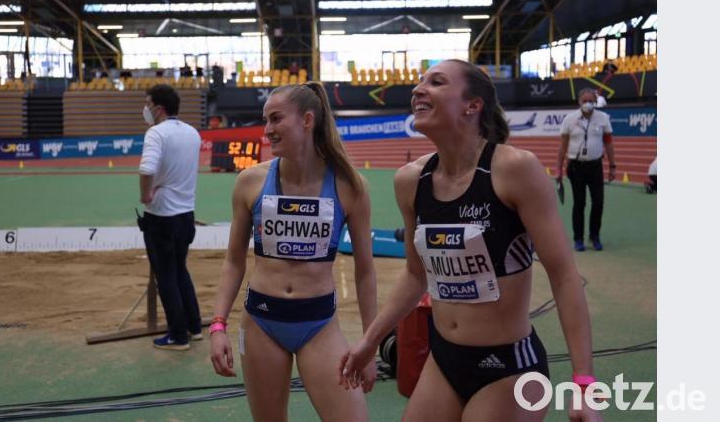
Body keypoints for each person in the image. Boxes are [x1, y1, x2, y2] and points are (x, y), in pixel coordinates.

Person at [339, 59, 601, 421]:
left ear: (472, 105)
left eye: (437, 82)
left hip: (509, 367)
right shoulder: (410, 181)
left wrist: (584, 384)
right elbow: (417, 276)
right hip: (444, 360)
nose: (418, 88)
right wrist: (371, 340)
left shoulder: (514, 170)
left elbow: (565, 277)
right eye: (420, 81)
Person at [209, 82, 378, 421]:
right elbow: (233, 262)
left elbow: (365, 271)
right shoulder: (250, 182)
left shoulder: (350, 186)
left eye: (275, 119)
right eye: (265, 120)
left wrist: (370, 345)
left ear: (307, 120)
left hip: (319, 324)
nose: (267, 130)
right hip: (261, 322)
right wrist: (218, 326)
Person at [139, 84, 203, 350]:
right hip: (186, 214)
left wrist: (145, 195)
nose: (145, 109)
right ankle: (194, 326)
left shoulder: (156, 133)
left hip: (162, 215)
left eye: (148, 103)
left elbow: (147, 168)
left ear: (159, 108)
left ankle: (178, 335)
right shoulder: (192, 133)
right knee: (180, 269)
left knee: (166, 275)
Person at [556, 88, 617, 251]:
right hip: (576, 167)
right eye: (584, 101)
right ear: (579, 102)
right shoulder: (569, 119)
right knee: (579, 203)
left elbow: (609, 143)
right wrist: (558, 170)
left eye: (591, 100)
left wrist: (612, 166)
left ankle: (594, 235)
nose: (588, 103)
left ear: (595, 102)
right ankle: (578, 239)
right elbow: (562, 146)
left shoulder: (603, 118)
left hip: (595, 166)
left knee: (598, 202)